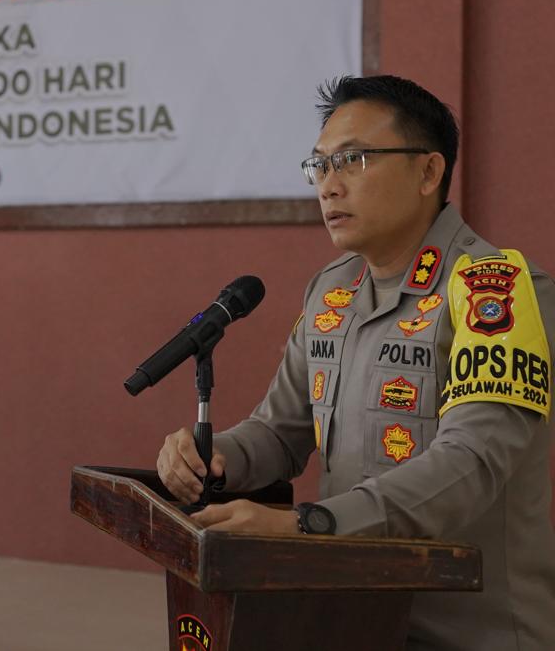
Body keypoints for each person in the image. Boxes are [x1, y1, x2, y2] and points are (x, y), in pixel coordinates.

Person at [155, 75, 555, 650]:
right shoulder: (332, 291)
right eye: (319, 165)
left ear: (428, 172)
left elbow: (470, 464)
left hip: (463, 632)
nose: (329, 185)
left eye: (353, 160)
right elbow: (280, 432)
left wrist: (308, 526)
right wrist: (214, 457)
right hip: (352, 616)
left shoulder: (495, 290)